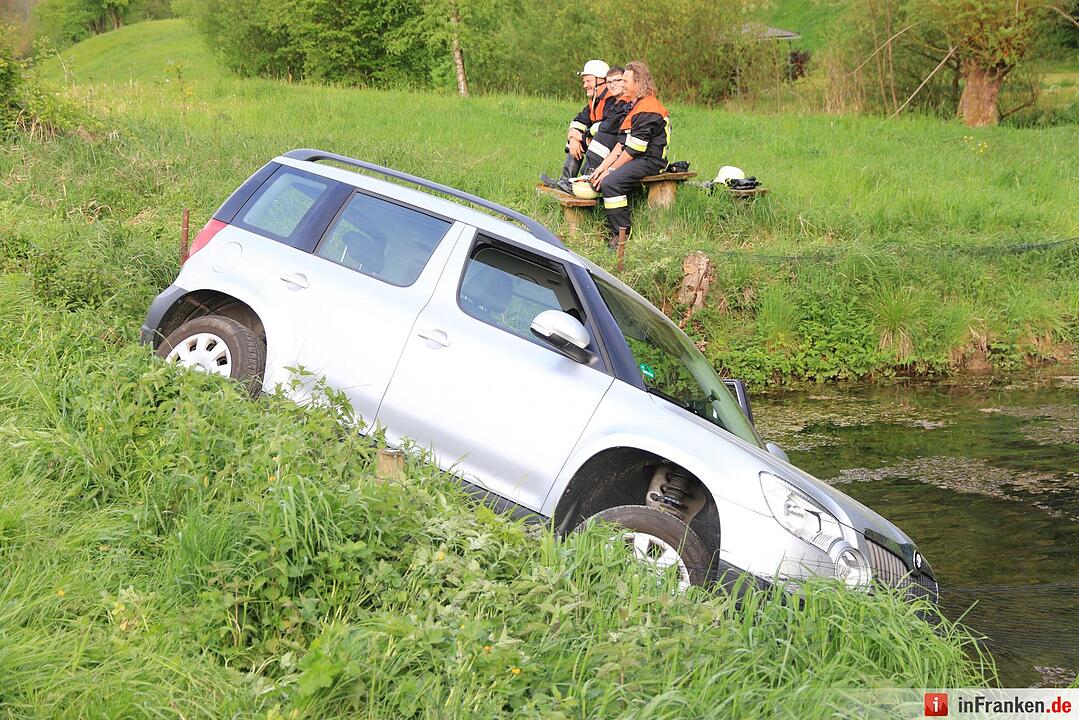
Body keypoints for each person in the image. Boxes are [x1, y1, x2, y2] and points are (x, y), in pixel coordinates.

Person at [588, 61, 670, 248]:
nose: (622, 85)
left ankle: (621, 234)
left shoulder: (649, 108)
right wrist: (601, 168)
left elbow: (634, 149)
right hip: (639, 156)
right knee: (600, 179)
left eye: (625, 81)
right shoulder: (635, 105)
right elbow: (621, 145)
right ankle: (615, 228)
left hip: (651, 160)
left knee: (611, 183)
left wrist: (610, 171)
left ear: (638, 82)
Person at [540, 59, 613, 193]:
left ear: (601, 80)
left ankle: (584, 184)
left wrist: (582, 136)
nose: (585, 85)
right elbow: (579, 120)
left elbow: (607, 127)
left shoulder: (612, 99)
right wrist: (574, 137)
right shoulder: (595, 101)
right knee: (574, 142)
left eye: (588, 81)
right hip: (600, 143)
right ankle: (566, 181)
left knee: (597, 145)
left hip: (613, 149)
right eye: (584, 81)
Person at [579, 67, 632, 177]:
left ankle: (590, 176)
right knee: (578, 141)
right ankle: (569, 178)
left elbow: (610, 125)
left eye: (616, 81)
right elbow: (582, 118)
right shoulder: (614, 101)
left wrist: (588, 133)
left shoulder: (626, 101)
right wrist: (578, 135)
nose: (612, 85)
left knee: (602, 137)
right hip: (621, 143)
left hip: (629, 146)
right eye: (609, 82)